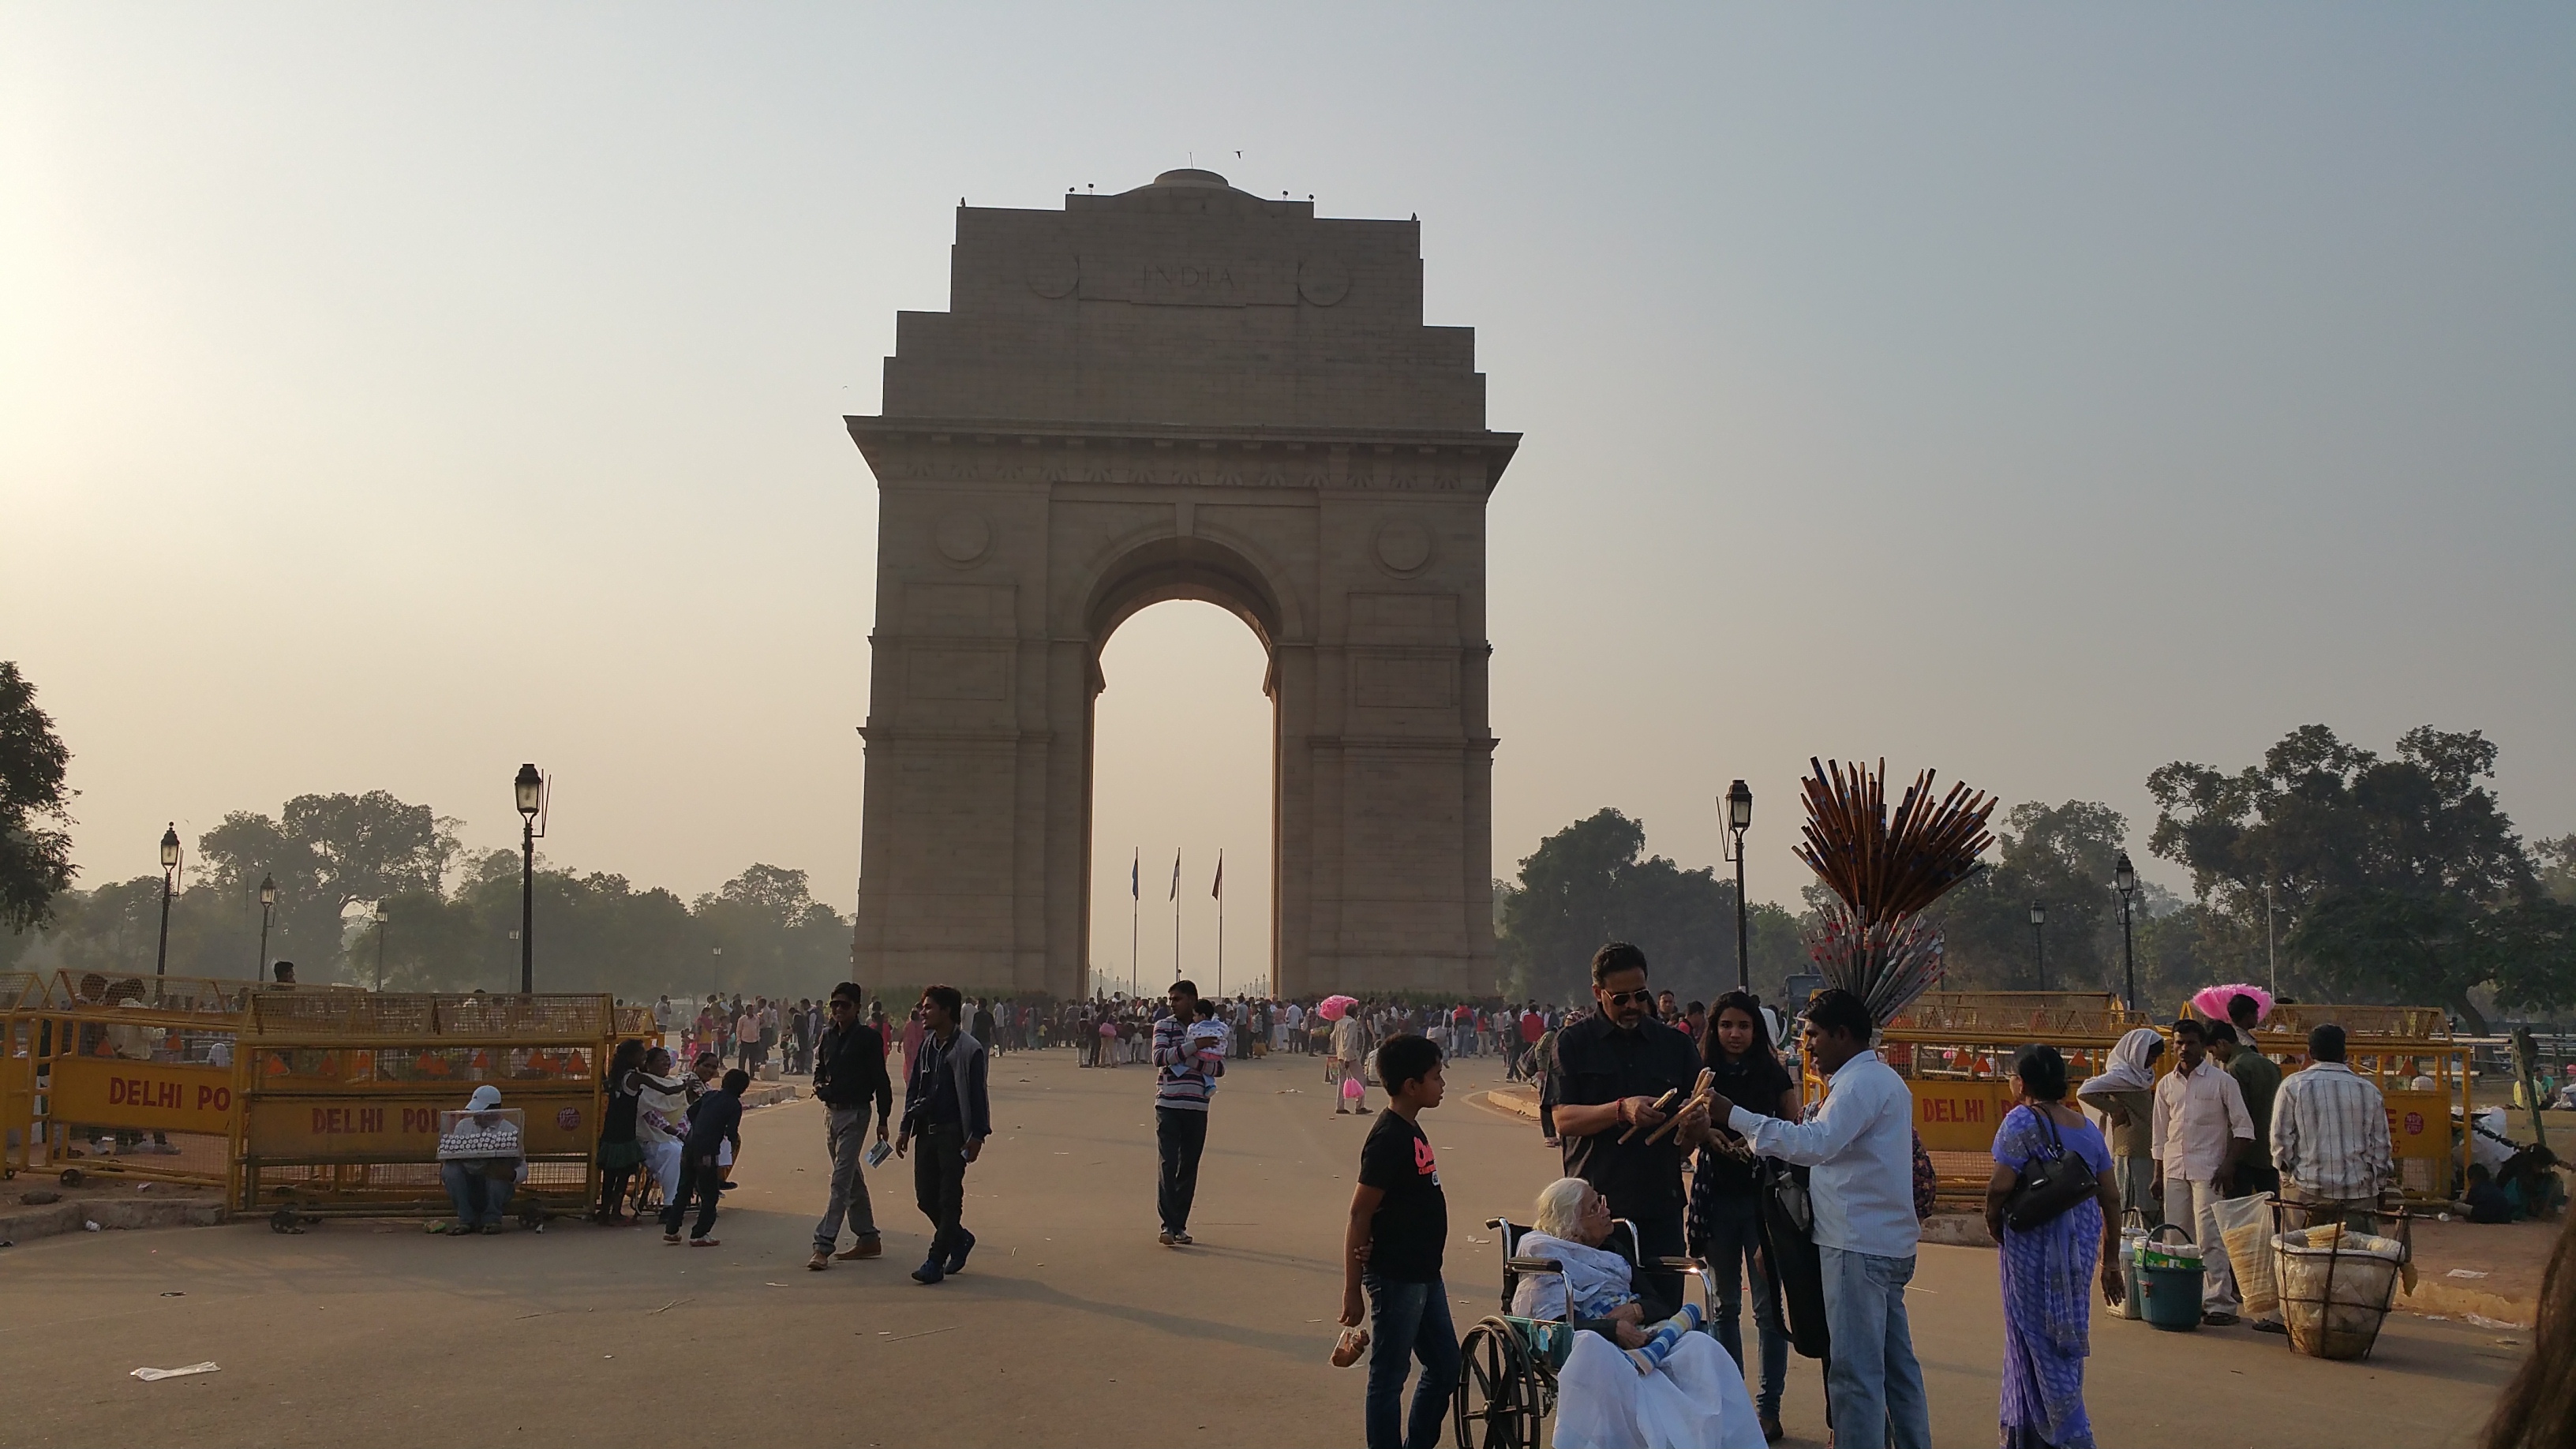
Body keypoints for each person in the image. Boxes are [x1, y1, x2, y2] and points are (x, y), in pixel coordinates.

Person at [1705, 987, 1929, 1449]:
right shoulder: (1881, 1082)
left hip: (1857, 1245)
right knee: (1895, 1367)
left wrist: (1736, 1116)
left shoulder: (1861, 1084)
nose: (1806, 1045)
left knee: (1854, 1373)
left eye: (1813, 1035)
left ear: (1843, 1035)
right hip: (1883, 1243)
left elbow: (1815, 1144)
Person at [1515, 1176, 1765, 1449]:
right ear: (1571, 1226)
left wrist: (1635, 1310)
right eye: (1594, 1208)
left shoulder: (1613, 1252)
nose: (1606, 1210)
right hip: (1592, 1341)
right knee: (1593, 1349)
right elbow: (1554, 1324)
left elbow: (1657, 1304)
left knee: (1702, 1346)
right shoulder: (1544, 1255)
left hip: (1644, 1337)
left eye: (1602, 1202)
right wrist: (1613, 1329)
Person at [1545, 942, 1706, 1319]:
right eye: (1621, 998)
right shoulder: (1573, 1043)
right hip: (1598, 1213)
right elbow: (1563, 1119)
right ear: (1598, 993)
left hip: (1659, 1207)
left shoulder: (1675, 1044)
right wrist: (1621, 1109)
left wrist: (1696, 1123)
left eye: (1640, 995)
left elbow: (1691, 1135)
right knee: (1605, 1320)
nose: (1632, 1006)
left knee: (1663, 1317)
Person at [1983, 1045, 2124, 1449]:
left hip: (2032, 1250)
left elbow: (2000, 1186)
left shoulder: (2021, 1121)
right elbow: (2111, 1197)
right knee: (2064, 1338)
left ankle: (2073, 1437)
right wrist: (2109, 1260)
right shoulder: (2087, 1128)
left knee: (2035, 1340)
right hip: (2078, 1250)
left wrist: (1994, 1223)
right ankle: (2036, 1438)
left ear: (2021, 1083)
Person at [1687, 990, 1797, 1443]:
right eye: (1727, 1025)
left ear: (1757, 1031)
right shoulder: (1702, 1077)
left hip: (1764, 1202)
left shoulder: (1774, 1075)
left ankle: (1768, 1410)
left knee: (1770, 1311)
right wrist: (1707, 1133)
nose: (1735, 1034)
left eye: (1744, 1026)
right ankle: (1732, 1408)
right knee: (1724, 1306)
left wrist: (1757, 1143)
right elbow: (1685, 1131)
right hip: (1716, 1200)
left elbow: (1793, 1135)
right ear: (1714, 1030)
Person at [1339, 1033, 1457, 1449]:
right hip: (1396, 1277)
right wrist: (1353, 1289)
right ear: (1412, 1085)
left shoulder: (1412, 1129)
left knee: (1445, 1367)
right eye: (1436, 1077)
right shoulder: (1388, 1138)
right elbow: (1359, 1213)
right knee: (1389, 1378)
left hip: (1426, 1273)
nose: (1442, 1085)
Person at [2150, 1017, 2256, 1325]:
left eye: (2190, 1043)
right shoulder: (2166, 1085)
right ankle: (2182, 1297)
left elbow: (2244, 1129)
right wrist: (2158, 1174)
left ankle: (2219, 1303)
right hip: (2173, 1170)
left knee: (2210, 1237)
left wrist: (2228, 1166)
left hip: (2210, 1171)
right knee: (2175, 1237)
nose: (2184, 1049)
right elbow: (2160, 1135)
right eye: (2179, 1043)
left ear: (2203, 1046)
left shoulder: (2223, 1082)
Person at [895, 983, 990, 1285]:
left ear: (947, 1011)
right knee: (925, 1198)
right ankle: (959, 1238)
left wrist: (977, 1135)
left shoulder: (969, 1049)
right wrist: (905, 1127)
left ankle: (935, 1260)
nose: (923, 1012)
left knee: (949, 1199)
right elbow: (915, 1090)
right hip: (926, 1131)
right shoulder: (927, 1046)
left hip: (953, 1133)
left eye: (929, 1007)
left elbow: (978, 1094)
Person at [2270, 1023, 2394, 1236]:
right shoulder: (2369, 1090)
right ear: (2344, 1053)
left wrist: (2288, 1177)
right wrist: (2379, 1185)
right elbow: (2381, 1147)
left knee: (2301, 1257)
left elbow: (2280, 1143)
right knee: (2356, 1259)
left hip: (2307, 1190)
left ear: (2310, 1052)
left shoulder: (2292, 1086)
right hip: (2358, 1193)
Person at [808, 982, 893, 1269]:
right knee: (851, 1177)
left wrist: (884, 1119)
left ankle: (823, 1244)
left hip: (856, 1114)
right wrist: (819, 1085)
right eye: (835, 1005)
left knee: (840, 1180)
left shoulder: (868, 1039)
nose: (839, 1010)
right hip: (831, 1114)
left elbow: (881, 1080)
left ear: (857, 1007)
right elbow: (819, 1067)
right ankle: (868, 1237)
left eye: (845, 1005)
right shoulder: (828, 1036)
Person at [1152, 979, 1222, 1246]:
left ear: (1193, 1000)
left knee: (1188, 1167)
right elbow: (1159, 1058)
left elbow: (1218, 1069)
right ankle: (1167, 1225)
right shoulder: (1164, 1026)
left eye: (1177, 999)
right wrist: (1196, 1047)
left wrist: (1183, 1057)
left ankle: (1179, 1225)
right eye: (1170, 999)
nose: (1172, 1004)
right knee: (1168, 1164)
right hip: (1168, 1104)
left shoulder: (1212, 1029)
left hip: (1197, 1106)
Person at [2074, 1027, 2166, 1230]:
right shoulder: (2121, 1075)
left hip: (2149, 1145)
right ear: (2138, 1050)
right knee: (2134, 1202)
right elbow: (2085, 1091)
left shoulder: (2141, 1075)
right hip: (2131, 1148)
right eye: (2150, 1054)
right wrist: (2114, 1109)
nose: (2152, 1060)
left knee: (2151, 1203)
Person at [662, 1067, 747, 1246]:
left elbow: (691, 1113)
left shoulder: (710, 1096)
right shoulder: (734, 1104)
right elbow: (732, 1131)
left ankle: (672, 1230)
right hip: (707, 1151)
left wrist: (699, 1128)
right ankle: (699, 1233)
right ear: (743, 1088)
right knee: (710, 1194)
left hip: (690, 1145)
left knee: (684, 1189)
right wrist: (728, 1142)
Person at [2207, 1011, 2282, 1198]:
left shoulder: (2234, 1069)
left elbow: (2237, 1118)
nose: (2215, 1058)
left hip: (2244, 1155)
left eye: (2212, 1051)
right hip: (2269, 1151)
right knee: (2271, 1207)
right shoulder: (2269, 1065)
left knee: (2240, 1212)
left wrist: (2229, 1160)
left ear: (2221, 1044)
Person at [437, 1084, 526, 1234]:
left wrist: (509, 1174)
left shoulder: (510, 1130)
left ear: (495, 1109)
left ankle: (492, 1219)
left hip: (497, 1189)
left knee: (497, 1171)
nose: (477, 1114)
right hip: (469, 1185)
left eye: (482, 1111)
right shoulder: (463, 1126)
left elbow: (523, 1168)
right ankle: (466, 1219)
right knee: (450, 1171)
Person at [594, 1039, 647, 1223]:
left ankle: (604, 1212)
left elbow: (605, 1083)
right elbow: (662, 1087)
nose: (644, 1056)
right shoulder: (635, 1076)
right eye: (641, 1053)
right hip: (625, 1132)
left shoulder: (616, 1076)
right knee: (624, 1173)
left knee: (610, 1175)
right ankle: (615, 1212)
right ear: (631, 1057)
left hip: (611, 1130)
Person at [1331, 1004, 1376, 1114]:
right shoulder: (1352, 1023)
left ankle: (1340, 1106)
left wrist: (1338, 1049)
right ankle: (1359, 1106)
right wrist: (1347, 1056)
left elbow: (1332, 1037)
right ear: (1354, 1013)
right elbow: (1348, 1041)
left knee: (1342, 1081)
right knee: (1361, 1080)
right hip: (1350, 1056)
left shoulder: (1338, 1022)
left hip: (1340, 1054)